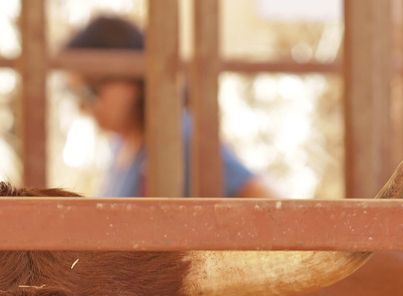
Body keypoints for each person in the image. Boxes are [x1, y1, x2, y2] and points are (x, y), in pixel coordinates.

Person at [64, 14, 275, 199]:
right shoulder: (122, 145)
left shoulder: (179, 138)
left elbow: (262, 199)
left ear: (130, 77)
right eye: (75, 95)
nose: (83, 107)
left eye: (89, 91)